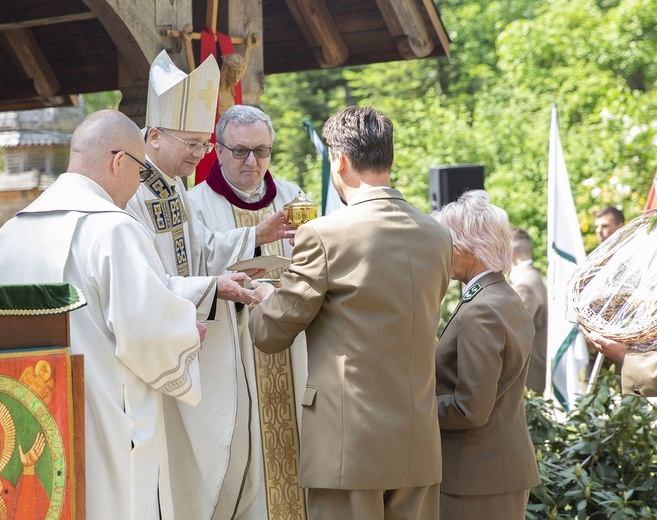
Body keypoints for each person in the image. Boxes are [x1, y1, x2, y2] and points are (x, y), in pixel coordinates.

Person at [0, 109, 207, 520]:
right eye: (140, 170)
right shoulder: (114, 229)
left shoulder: (11, 232)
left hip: (31, 421)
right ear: (118, 161)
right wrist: (188, 334)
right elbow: (147, 336)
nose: (138, 183)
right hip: (105, 424)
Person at [248, 105, 453, 519]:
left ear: (339, 160)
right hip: (418, 445)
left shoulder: (324, 235)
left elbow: (271, 333)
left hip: (348, 445)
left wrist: (259, 297)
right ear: (388, 157)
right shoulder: (437, 235)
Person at [126, 51, 289, 520]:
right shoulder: (131, 191)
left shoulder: (172, 184)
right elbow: (140, 284)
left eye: (203, 144)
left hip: (191, 337)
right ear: (153, 137)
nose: (201, 156)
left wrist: (255, 236)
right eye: (193, 143)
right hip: (157, 352)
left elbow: (197, 249)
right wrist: (211, 288)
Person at [187, 104, 310, 519]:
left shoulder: (295, 198)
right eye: (240, 151)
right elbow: (190, 270)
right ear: (218, 152)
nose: (252, 161)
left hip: (292, 349)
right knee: (243, 450)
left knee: (293, 444)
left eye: (262, 150)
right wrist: (253, 239)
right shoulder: (195, 205)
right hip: (232, 350)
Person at [431, 190, 540, 520]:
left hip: (475, 476)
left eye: (443, 241)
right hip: (491, 470)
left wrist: (411, 406)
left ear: (466, 246)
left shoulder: (482, 309)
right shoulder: (502, 297)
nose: (438, 252)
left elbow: (470, 408)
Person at [509, 227, 548, 394]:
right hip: (531, 373)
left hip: (526, 378)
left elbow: (515, 332)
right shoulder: (532, 276)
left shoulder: (524, 284)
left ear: (511, 251)